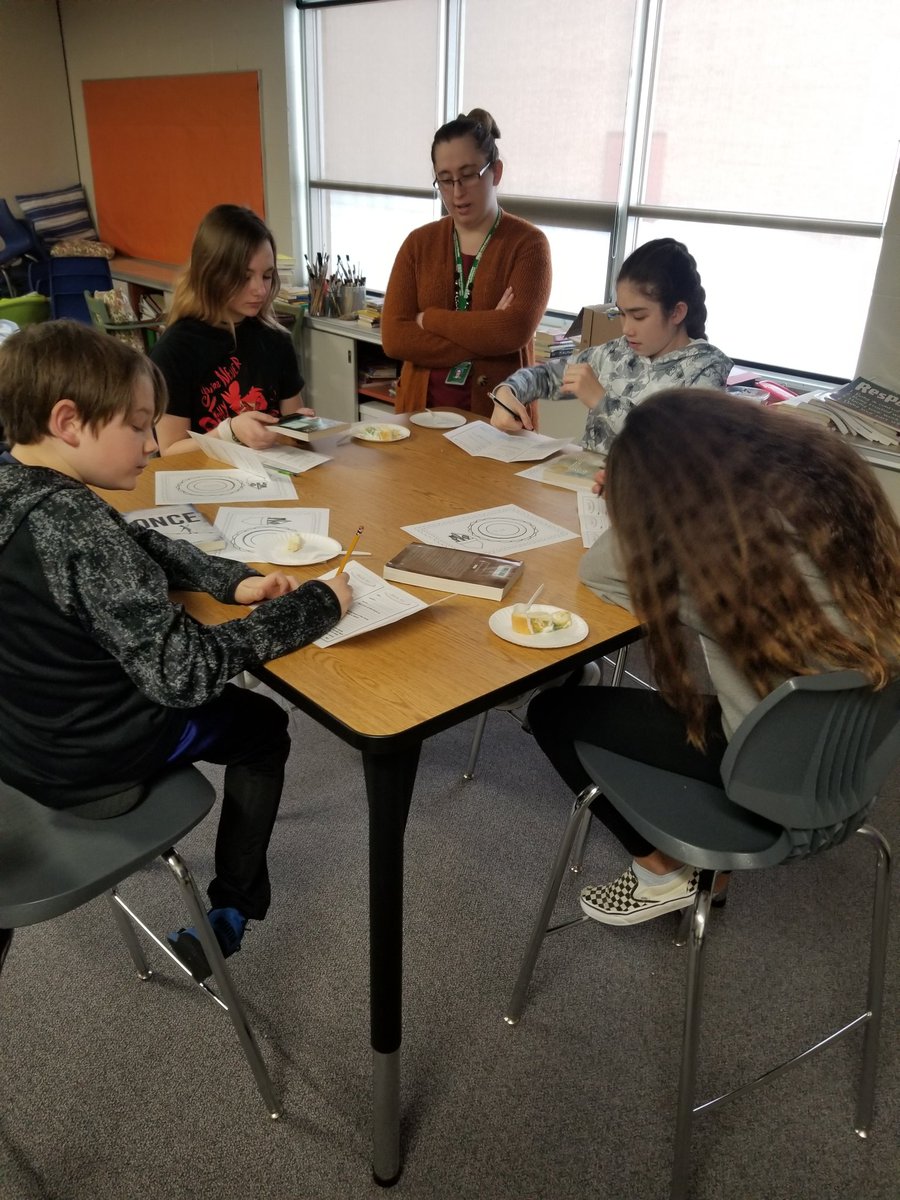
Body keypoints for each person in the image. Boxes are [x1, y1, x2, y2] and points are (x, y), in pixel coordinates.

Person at [0, 321, 353, 980]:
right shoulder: (78, 530)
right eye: (138, 426)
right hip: (93, 763)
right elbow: (186, 673)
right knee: (262, 726)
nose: (153, 445)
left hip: (18, 742)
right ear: (68, 422)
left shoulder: (18, 480)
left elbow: (134, 540)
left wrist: (229, 578)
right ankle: (234, 907)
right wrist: (315, 606)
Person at [527, 388, 900, 926]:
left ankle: (661, 875)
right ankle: (711, 876)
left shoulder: (715, 558)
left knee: (552, 712)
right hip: (854, 766)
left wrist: (632, 510)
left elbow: (600, 573)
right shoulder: (835, 492)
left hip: (763, 772)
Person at [381, 108, 552, 420]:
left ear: (495, 171)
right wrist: (485, 333)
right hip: (421, 416)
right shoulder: (418, 244)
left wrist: (429, 319)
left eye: (469, 175)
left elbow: (512, 332)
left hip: (498, 422)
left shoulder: (529, 245)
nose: (457, 192)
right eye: (445, 180)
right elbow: (394, 338)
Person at [489, 238, 731, 453]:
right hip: (587, 486)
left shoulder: (705, 369)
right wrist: (508, 392)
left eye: (639, 316)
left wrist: (601, 401)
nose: (627, 329)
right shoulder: (615, 353)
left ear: (677, 312)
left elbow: (681, 449)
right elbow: (546, 377)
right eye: (622, 314)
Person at [151, 204, 311, 455]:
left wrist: (299, 428)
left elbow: (291, 427)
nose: (260, 289)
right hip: (205, 477)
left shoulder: (276, 339)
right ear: (211, 274)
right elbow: (169, 450)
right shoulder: (175, 350)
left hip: (271, 472)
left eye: (267, 276)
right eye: (245, 277)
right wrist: (230, 432)